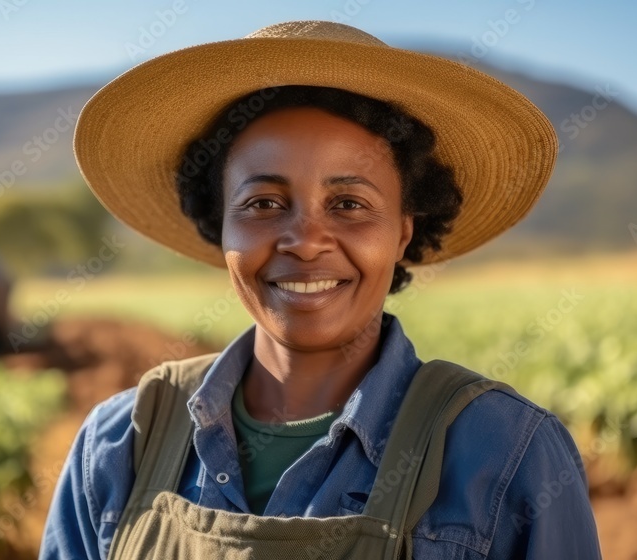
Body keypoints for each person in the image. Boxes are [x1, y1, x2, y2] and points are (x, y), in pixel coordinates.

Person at [40, 20, 602, 559]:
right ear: (222, 226)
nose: (306, 242)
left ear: (403, 231)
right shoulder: (120, 446)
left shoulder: (508, 452)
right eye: (264, 204)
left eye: (349, 205)